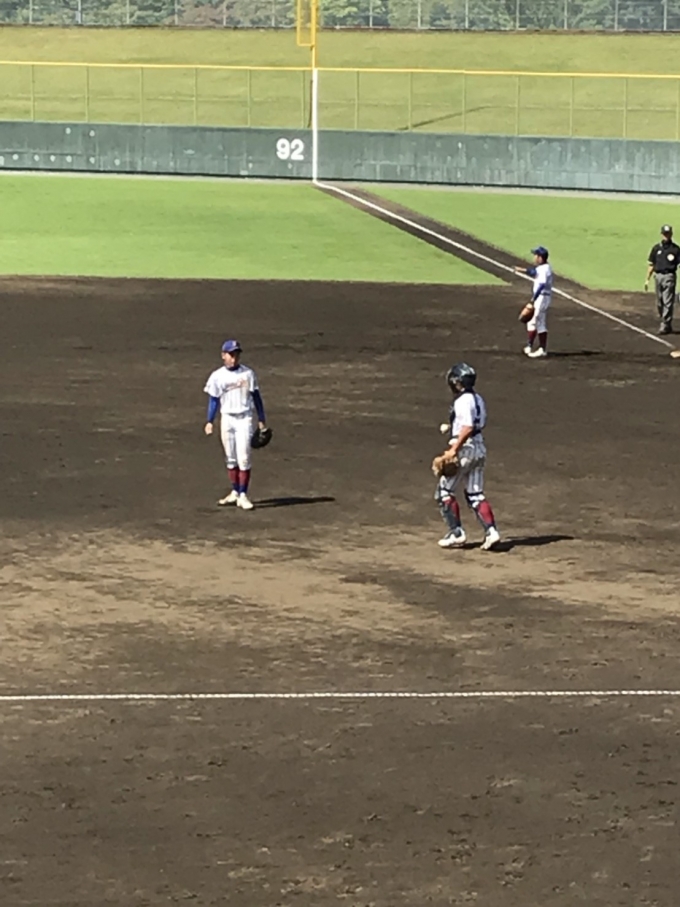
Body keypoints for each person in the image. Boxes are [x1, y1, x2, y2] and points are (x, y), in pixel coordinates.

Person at [433, 362, 501, 552]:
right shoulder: (478, 399)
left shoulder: (462, 401)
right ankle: (491, 531)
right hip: (479, 448)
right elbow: (476, 424)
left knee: (444, 492)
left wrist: (454, 449)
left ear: (456, 382)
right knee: (475, 493)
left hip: (465, 449)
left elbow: (468, 427)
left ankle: (456, 533)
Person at [203, 339, 267, 511]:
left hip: (244, 418)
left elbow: (257, 397)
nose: (234, 358)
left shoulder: (248, 374)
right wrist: (209, 421)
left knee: (244, 457)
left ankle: (243, 495)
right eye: (231, 354)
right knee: (230, 457)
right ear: (223, 355)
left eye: (236, 354)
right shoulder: (217, 376)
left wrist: (261, 419)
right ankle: (235, 492)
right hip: (227, 418)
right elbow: (213, 400)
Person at [514, 246, 553, 358]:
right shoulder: (542, 268)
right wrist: (522, 270)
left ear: (540, 257)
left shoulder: (545, 269)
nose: (534, 257)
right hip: (540, 297)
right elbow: (534, 272)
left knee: (539, 322)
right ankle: (529, 346)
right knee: (531, 322)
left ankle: (542, 349)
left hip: (542, 297)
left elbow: (541, 285)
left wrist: (533, 300)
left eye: (535, 255)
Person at [645, 224, 679, 335]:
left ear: (671, 234)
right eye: (665, 234)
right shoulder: (656, 248)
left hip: (669, 276)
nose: (666, 236)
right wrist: (647, 279)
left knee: (667, 301)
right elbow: (651, 264)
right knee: (659, 302)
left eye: (668, 234)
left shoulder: (676, 249)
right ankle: (666, 323)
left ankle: (664, 324)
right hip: (658, 276)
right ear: (661, 234)